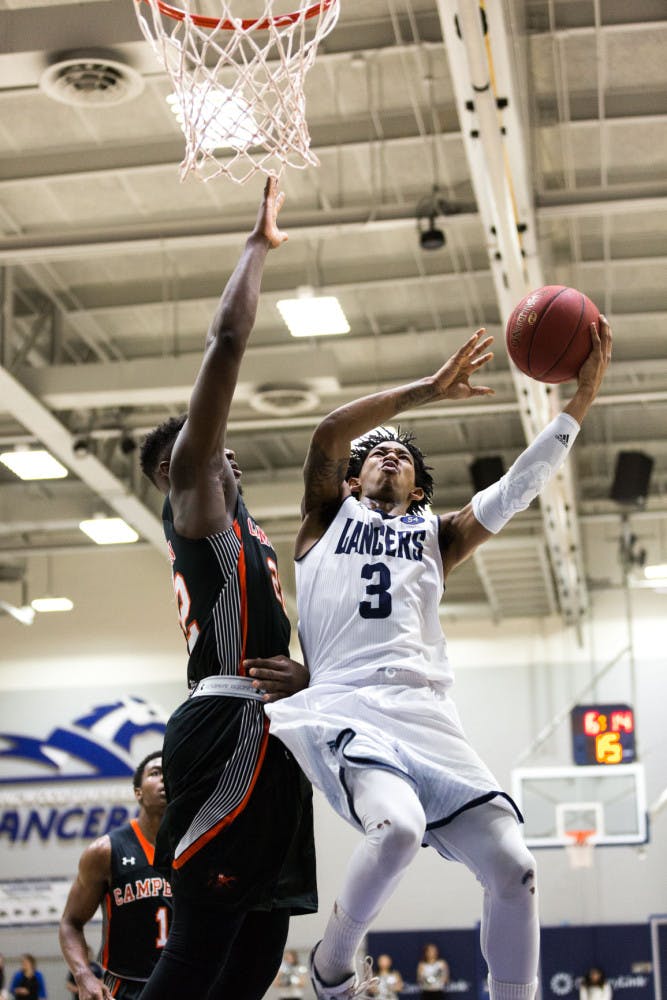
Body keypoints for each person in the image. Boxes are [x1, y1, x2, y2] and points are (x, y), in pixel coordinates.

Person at [264, 318, 612, 1000]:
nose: (388, 457)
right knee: (398, 832)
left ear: (419, 489)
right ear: (354, 477)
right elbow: (328, 432)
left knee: (515, 867)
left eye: (402, 457)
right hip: (349, 707)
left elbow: (516, 489)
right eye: (377, 454)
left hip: (428, 716)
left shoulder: (436, 536)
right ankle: (332, 965)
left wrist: (580, 401)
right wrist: (427, 388)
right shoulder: (325, 517)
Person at [136, 176, 317, 1000]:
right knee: (198, 955)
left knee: (252, 961)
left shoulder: (245, 534)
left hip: (270, 726)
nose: (225, 453)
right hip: (228, 726)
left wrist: (314, 683)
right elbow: (225, 347)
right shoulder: (198, 511)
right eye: (209, 449)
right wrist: (256, 249)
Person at [59, 752, 171, 1000]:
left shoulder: (199, 848)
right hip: (125, 987)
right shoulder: (105, 852)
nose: (165, 779)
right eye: (155, 773)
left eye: (171, 772)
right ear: (138, 792)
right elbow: (70, 922)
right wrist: (84, 975)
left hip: (187, 983)